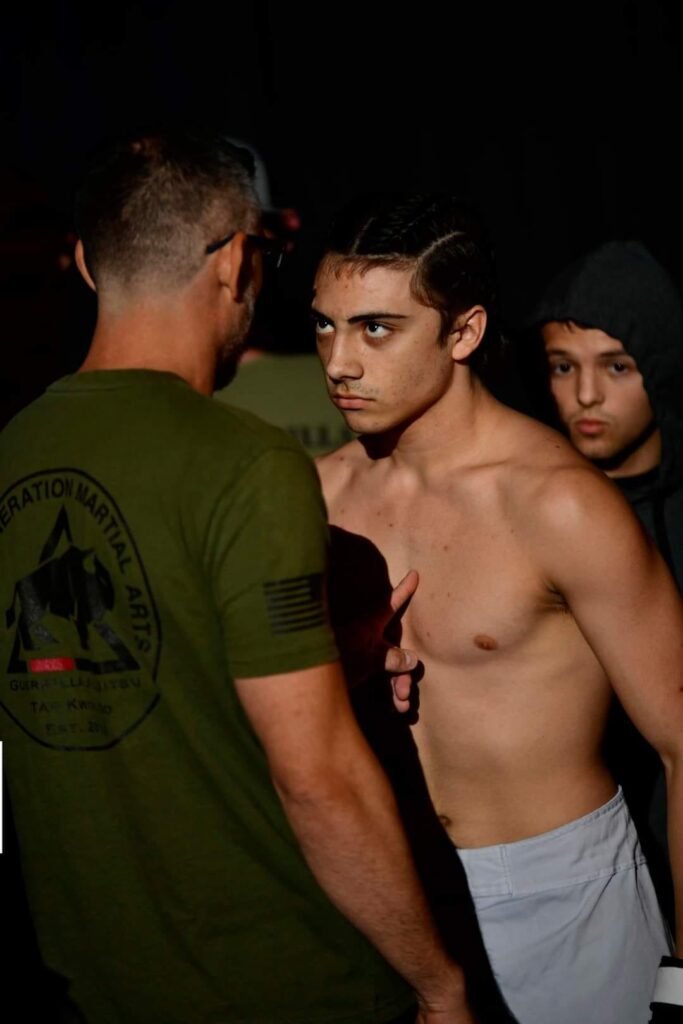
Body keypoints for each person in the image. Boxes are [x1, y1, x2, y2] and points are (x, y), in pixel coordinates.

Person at [0, 134, 475, 1024]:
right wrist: (438, 981)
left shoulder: (11, 449)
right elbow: (316, 777)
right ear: (232, 263)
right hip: (285, 982)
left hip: (93, 984)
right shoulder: (244, 462)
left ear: (90, 271)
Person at [313, 194, 683, 1024]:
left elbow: (681, 742)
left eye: (375, 328)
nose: (338, 360)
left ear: (465, 333)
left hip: (567, 897)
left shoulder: (558, 504)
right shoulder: (321, 497)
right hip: (395, 890)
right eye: (325, 327)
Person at [530, 240, 683, 924]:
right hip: (583, 868)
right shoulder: (533, 509)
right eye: (562, 367)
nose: (585, 394)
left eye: (615, 366)